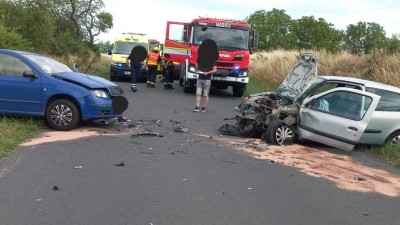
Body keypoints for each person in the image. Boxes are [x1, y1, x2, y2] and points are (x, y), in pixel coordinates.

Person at [193, 39, 218, 112]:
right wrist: (196, 65)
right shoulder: (200, 58)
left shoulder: (212, 60)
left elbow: (215, 70)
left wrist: (207, 73)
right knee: (198, 93)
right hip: (200, 78)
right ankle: (197, 106)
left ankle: (203, 107)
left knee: (205, 94)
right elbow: (197, 67)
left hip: (207, 79)